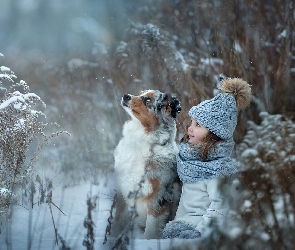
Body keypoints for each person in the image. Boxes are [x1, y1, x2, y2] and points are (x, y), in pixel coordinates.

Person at [162, 77, 251, 239]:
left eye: (198, 125)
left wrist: (200, 234)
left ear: (214, 133)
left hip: (199, 230)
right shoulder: (188, 159)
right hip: (182, 224)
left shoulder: (217, 169)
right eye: (191, 122)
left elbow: (219, 207)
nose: (190, 128)